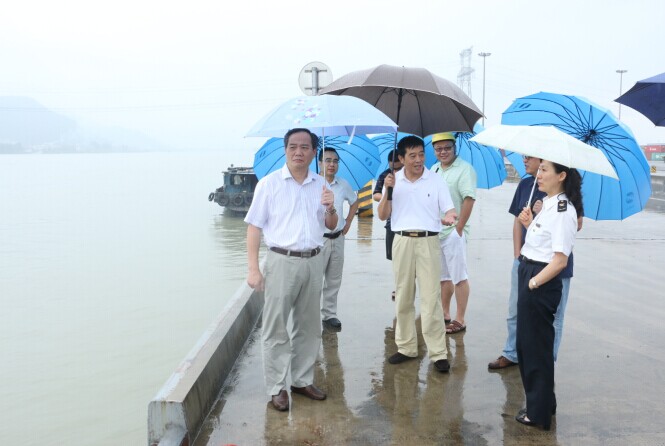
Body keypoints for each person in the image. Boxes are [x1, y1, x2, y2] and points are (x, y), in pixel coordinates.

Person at [245, 128, 338, 412]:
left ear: (314, 152)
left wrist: (331, 207)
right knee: (276, 327)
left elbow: (331, 225)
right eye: (293, 146)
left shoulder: (322, 184)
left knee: (309, 326)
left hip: (314, 259)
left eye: (305, 147)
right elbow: (254, 227)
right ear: (285, 150)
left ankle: (301, 380)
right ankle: (276, 387)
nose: (299, 152)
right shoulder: (269, 184)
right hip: (281, 261)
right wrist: (253, 269)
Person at [489, 156, 583, 370]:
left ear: (559, 175)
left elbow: (575, 225)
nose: (525, 160)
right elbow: (517, 222)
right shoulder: (526, 185)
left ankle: (546, 363)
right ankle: (514, 353)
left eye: (542, 167)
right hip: (526, 261)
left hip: (552, 269)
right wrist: (518, 255)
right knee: (517, 311)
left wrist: (544, 214)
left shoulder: (564, 201)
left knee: (552, 319)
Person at [377, 135, 457, 373]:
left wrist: (450, 216)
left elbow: (450, 209)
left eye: (421, 154)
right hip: (401, 240)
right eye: (412, 155)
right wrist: (388, 190)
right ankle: (406, 347)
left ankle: (438, 353)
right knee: (403, 295)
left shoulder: (436, 180)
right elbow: (382, 215)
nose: (418, 159)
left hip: (428, 241)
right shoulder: (393, 180)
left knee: (431, 298)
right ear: (401, 158)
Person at [514, 159, 583, 430]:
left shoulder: (564, 210)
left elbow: (559, 260)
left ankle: (538, 414)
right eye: (539, 169)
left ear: (561, 175)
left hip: (540, 280)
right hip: (530, 270)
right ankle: (544, 403)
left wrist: (533, 283)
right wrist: (529, 223)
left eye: (544, 170)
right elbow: (542, 241)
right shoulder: (549, 204)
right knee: (529, 346)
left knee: (535, 349)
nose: (539, 174)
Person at [430, 132, 477, 334]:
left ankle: (460, 318)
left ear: (454, 147)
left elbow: (469, 199)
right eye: (438, 149)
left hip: (454, 233)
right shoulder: (433, 169)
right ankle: (445, 312)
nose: (443, 152)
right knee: (444, 276)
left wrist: (459, 228)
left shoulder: (465, 169)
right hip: (437, 231)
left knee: (459, 276)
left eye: (447, 148)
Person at [318, 147, 359, 330]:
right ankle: (311, 315)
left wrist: (348, 221)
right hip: (319, 240)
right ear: (320, 162)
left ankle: (329, 315)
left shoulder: (343, 184)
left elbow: (354, 202)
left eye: (335, 161)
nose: (332, 164)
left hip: (338, 237)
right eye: (327, 160)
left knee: (334, 279)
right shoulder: (313, 184)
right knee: (315, 279)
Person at [373, 149, 403, 301]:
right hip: (391, 222)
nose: (395, 171)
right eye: (393, 167)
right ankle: (399, 286)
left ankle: (405, 286)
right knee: (396, 258)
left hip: (407, 224)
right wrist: (388, 196)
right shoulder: (385, 176)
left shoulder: (410, 175)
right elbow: (375, 194)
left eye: (398, 168)